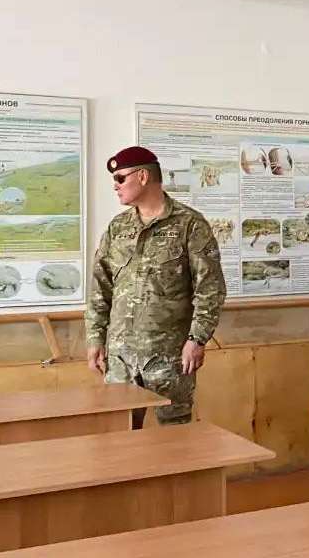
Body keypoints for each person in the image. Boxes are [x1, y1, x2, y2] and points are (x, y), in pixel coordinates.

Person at [85, 146, 226, 428]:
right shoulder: (118, 228)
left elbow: (210, 289)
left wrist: (197, 340)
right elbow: (100, 286)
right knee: (119, 438)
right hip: (121, 359)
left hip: (169, 357)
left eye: (120, 178)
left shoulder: (190, 225)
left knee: (175, 440)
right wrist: (95, 338)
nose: (115, 185)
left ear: (143, 176)